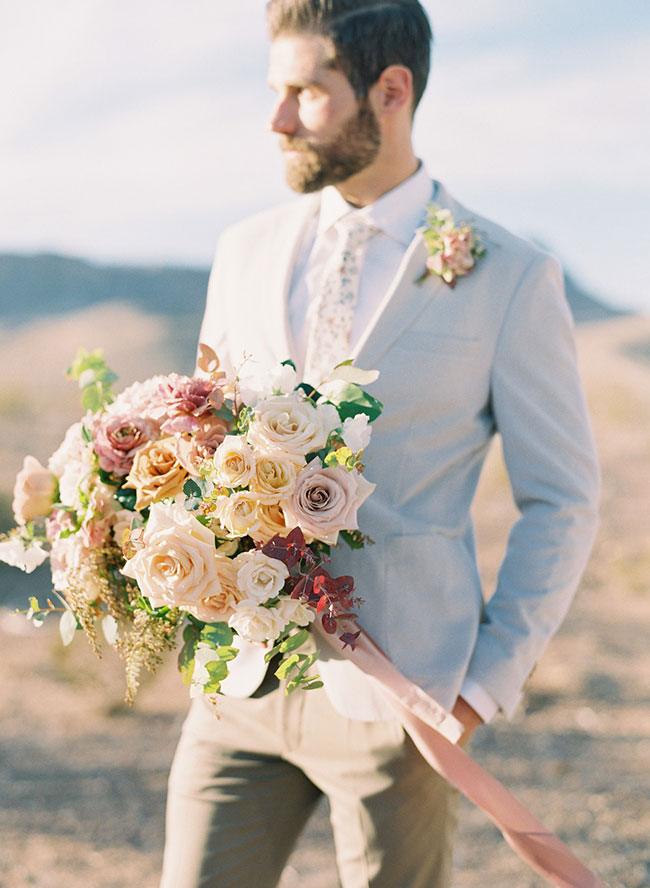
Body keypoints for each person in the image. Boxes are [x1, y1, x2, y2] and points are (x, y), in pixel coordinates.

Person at [160, 2, 600, 886]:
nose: (277, 118)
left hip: (404, 702)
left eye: (306, 93)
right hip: (239, 688)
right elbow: (201, 443)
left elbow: (564, 500)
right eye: (274, 91)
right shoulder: (240, 252)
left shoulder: (508, 275)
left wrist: (478, 690)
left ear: (390, 91)